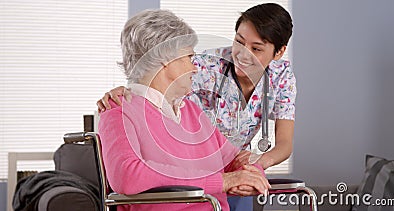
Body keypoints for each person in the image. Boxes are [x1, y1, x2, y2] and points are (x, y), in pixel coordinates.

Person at [98, 3, 295, 210]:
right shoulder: (120, 109)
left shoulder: (190, 110)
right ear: (167, 59)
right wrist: (222, 181)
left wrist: (252, 172)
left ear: (278, 52)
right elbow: (128, 175)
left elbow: (237, 158)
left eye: (256, 49)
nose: (195, 66)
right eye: (190, 57)